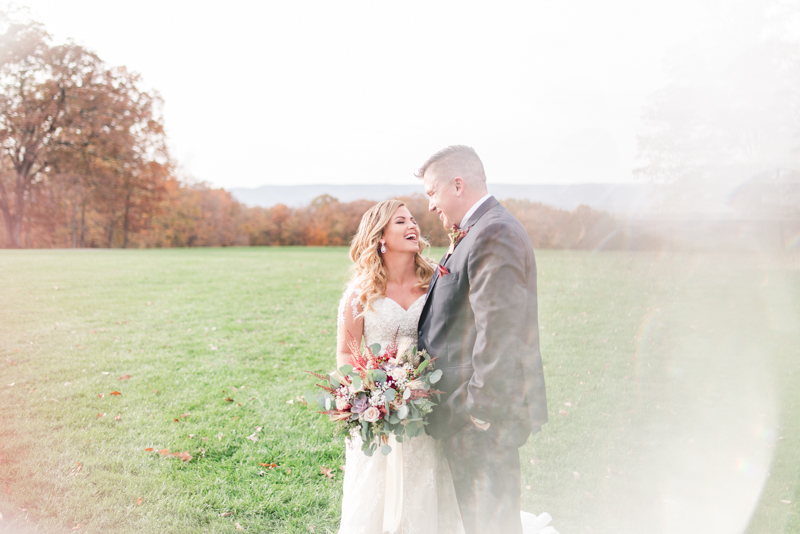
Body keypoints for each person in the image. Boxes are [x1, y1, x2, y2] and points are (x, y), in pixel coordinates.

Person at [416, 145, 549, 534]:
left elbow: (500, 330)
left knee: (490, 523)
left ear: (458, 185)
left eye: (432, 193)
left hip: (480, 419)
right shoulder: (479, 229)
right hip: (469, 413)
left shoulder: (494, 232)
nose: (431, 206)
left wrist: (478, 410)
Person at [336, 199, 464, 534]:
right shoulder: (360, 294)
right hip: (379, 409)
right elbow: (347, 355)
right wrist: (372, 392)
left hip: (426, 402)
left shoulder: (436, 281)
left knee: (424, 488)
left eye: (413, 220)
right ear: (380, 236)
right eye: (400, 222)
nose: (413, 226)